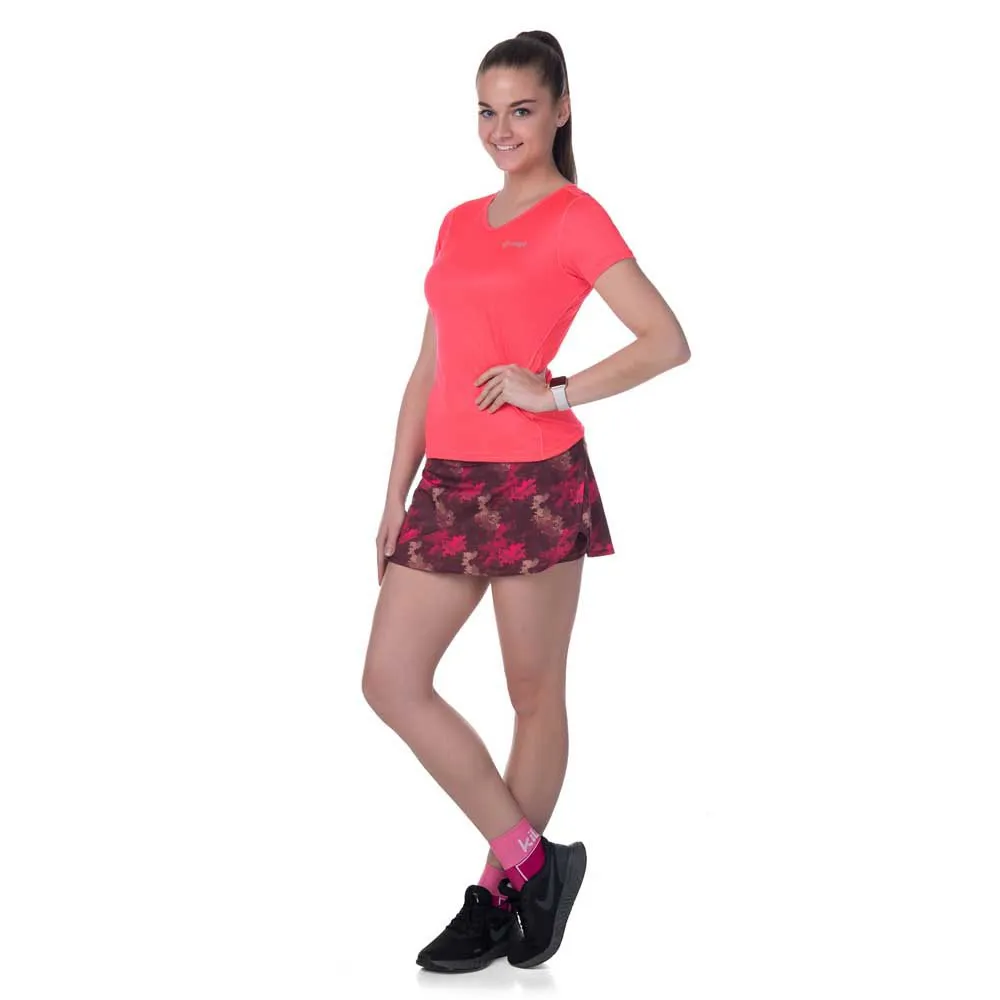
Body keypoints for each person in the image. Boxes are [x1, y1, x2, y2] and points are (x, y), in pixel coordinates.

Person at [361, 29, 690, 973]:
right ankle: (534, 865)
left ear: (561, 110)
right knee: (390, 680)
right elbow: (431, 367)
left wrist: (558, 391)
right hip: (449, 483)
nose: (500, 129)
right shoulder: (458, 222)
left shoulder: (576, 217)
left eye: (521, 110)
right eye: (486, 110)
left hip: (534, 484)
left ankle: (496, 895)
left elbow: (665, 339)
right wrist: (395, 490)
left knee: (532, 693)